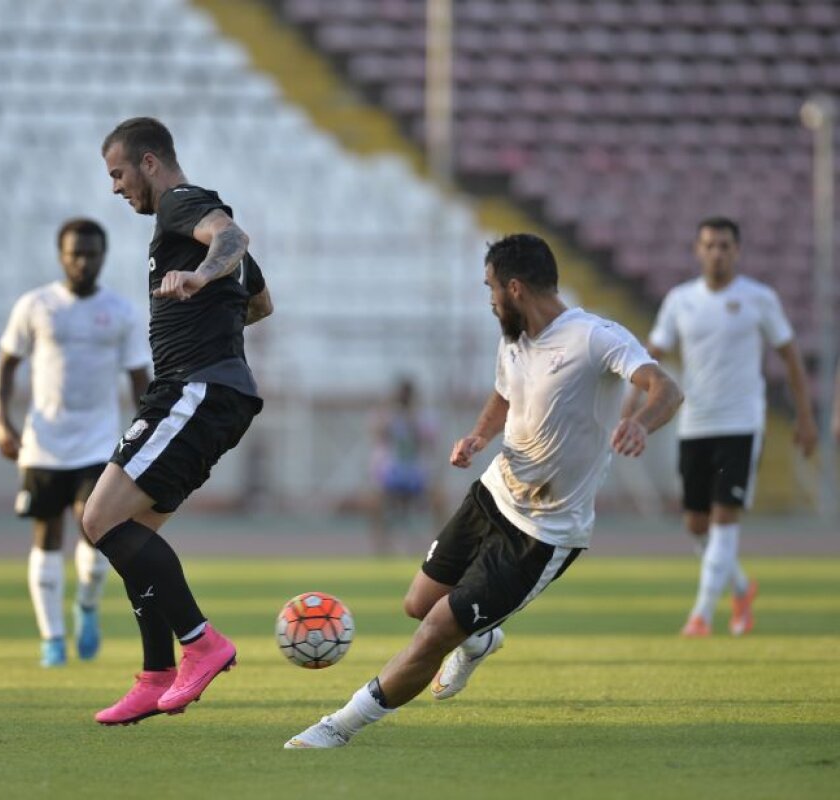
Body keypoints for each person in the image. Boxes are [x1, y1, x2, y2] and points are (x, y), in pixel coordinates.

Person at [285, 233, 682, 748]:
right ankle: (482, 637)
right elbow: (503, 394)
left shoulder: (593, 337)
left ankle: (339, 726)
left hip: (543, 532)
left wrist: (642, 425)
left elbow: (665, 387)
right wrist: (477, 436)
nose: (489, 298)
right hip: (492, 494)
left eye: (490, 287)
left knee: (433, 633)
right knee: (417, 604)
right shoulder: (513, 339)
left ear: (514, 287)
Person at [86, 116, 273, 725]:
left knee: (98, 518)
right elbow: (262, 303)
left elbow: (231, 238)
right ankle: (155, 673)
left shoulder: (182, 205)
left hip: (193, 389)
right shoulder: (187, 222)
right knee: (133, 534)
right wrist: (210, 303)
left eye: (117, 173)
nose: (115, 187)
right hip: (211, 389)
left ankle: (201, 644)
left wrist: (199, 275)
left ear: (147, 162)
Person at [633, 217, 816, 637]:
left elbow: (790, 357)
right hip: (694, 423)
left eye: (725, 245)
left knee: (724, 518)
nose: (717, 252)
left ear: (737, 251)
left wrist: (805, 418)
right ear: (698, 250)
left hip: (741, 422)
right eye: (710, 245)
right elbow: (647, 360)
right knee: (696, 525)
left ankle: (701, 616)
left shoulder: (759, 298)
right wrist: (631, 409)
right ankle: (740, 587)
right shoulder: (680, 300)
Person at [0, 218, 149, 668]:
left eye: (91, 253)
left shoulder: (120, 311)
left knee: (94, 530)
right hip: (44, 444)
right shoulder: (36, 305)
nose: (83, 261)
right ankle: (52, 638)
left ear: (104, 255)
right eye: (74, 253)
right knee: (46, 537)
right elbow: (5, 367)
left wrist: (144, 437)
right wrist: (3, 422)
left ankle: (86, 605)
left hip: (99, 444)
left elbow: (141, 379)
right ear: (61, 255)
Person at [369, 377, 437, 555]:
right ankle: (382, 549)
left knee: (439, 500)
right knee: (376, 504)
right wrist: (388, 410)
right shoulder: (389, 416)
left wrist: (412, 420)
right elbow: (377, 434)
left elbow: (430, 442)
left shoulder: (422, 417)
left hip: (415, 473)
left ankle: (438, 548)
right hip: (393, 473)